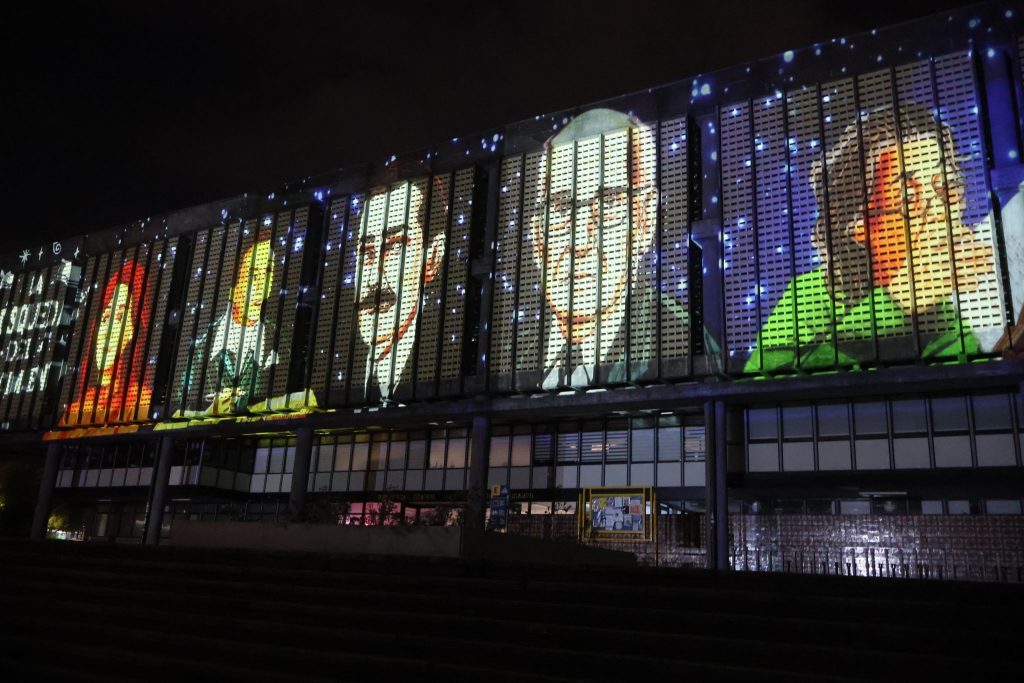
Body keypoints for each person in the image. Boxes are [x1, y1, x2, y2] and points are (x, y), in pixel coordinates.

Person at [746, 103, 995, 373]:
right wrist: (895, 303)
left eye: (946, 188)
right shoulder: (809, 296)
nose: (939, 211)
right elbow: (756, 388)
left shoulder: (941, 311)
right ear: (859, 225)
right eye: (908, 198)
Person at [527, 108, 688, 389]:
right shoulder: (513, 350)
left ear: (645, 219)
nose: (579, 242)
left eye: (608, 205)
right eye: (562, 208)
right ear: (536, 232)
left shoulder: (681, 337)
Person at [354, 179, 446, 403]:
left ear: (432, 258)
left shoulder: (438, 364)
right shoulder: (340, 380)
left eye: (394, 247)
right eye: (366, 253)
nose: (373, 280)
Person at [176, 237, 277, 415]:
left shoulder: (280, 346)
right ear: (233, 284)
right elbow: (178, 410)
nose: (261, 287)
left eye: (268, 273)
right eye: (253, 276)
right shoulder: (200, 353)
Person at [62, 260, 149, 425]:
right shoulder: (75, 412)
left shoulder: (141, 401)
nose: (107, 332)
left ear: (132, 331)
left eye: (119, 318)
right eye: (106, 318)